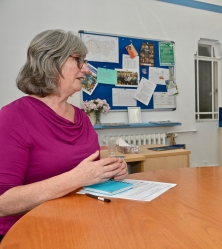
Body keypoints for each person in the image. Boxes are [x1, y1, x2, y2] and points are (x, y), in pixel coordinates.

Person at [0, 29, 128, 240]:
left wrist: (108, 171)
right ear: (51, 62)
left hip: (79, 223)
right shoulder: (13, 117)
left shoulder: (82, 118)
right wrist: (76, 178)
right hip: (28, 233)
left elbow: (86, 172)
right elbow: (3, 203)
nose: (86, 69)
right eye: (79, 61)